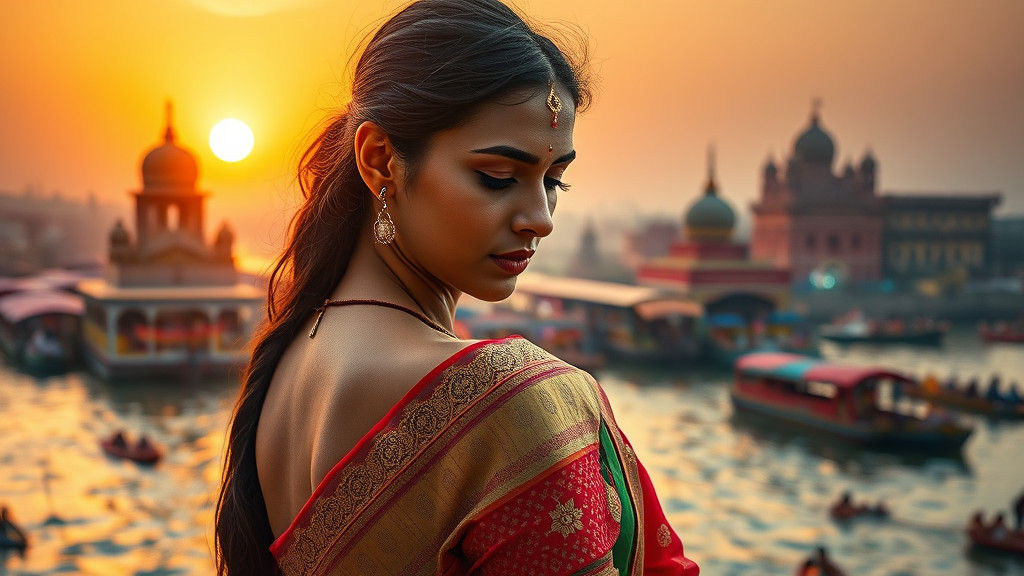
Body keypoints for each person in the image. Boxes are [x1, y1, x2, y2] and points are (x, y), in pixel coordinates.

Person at [214, 2, 699, 575]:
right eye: (497, 177)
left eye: (553, 180)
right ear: (380, 162)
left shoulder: (291, 361)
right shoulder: (510, 404)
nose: (540, 218)